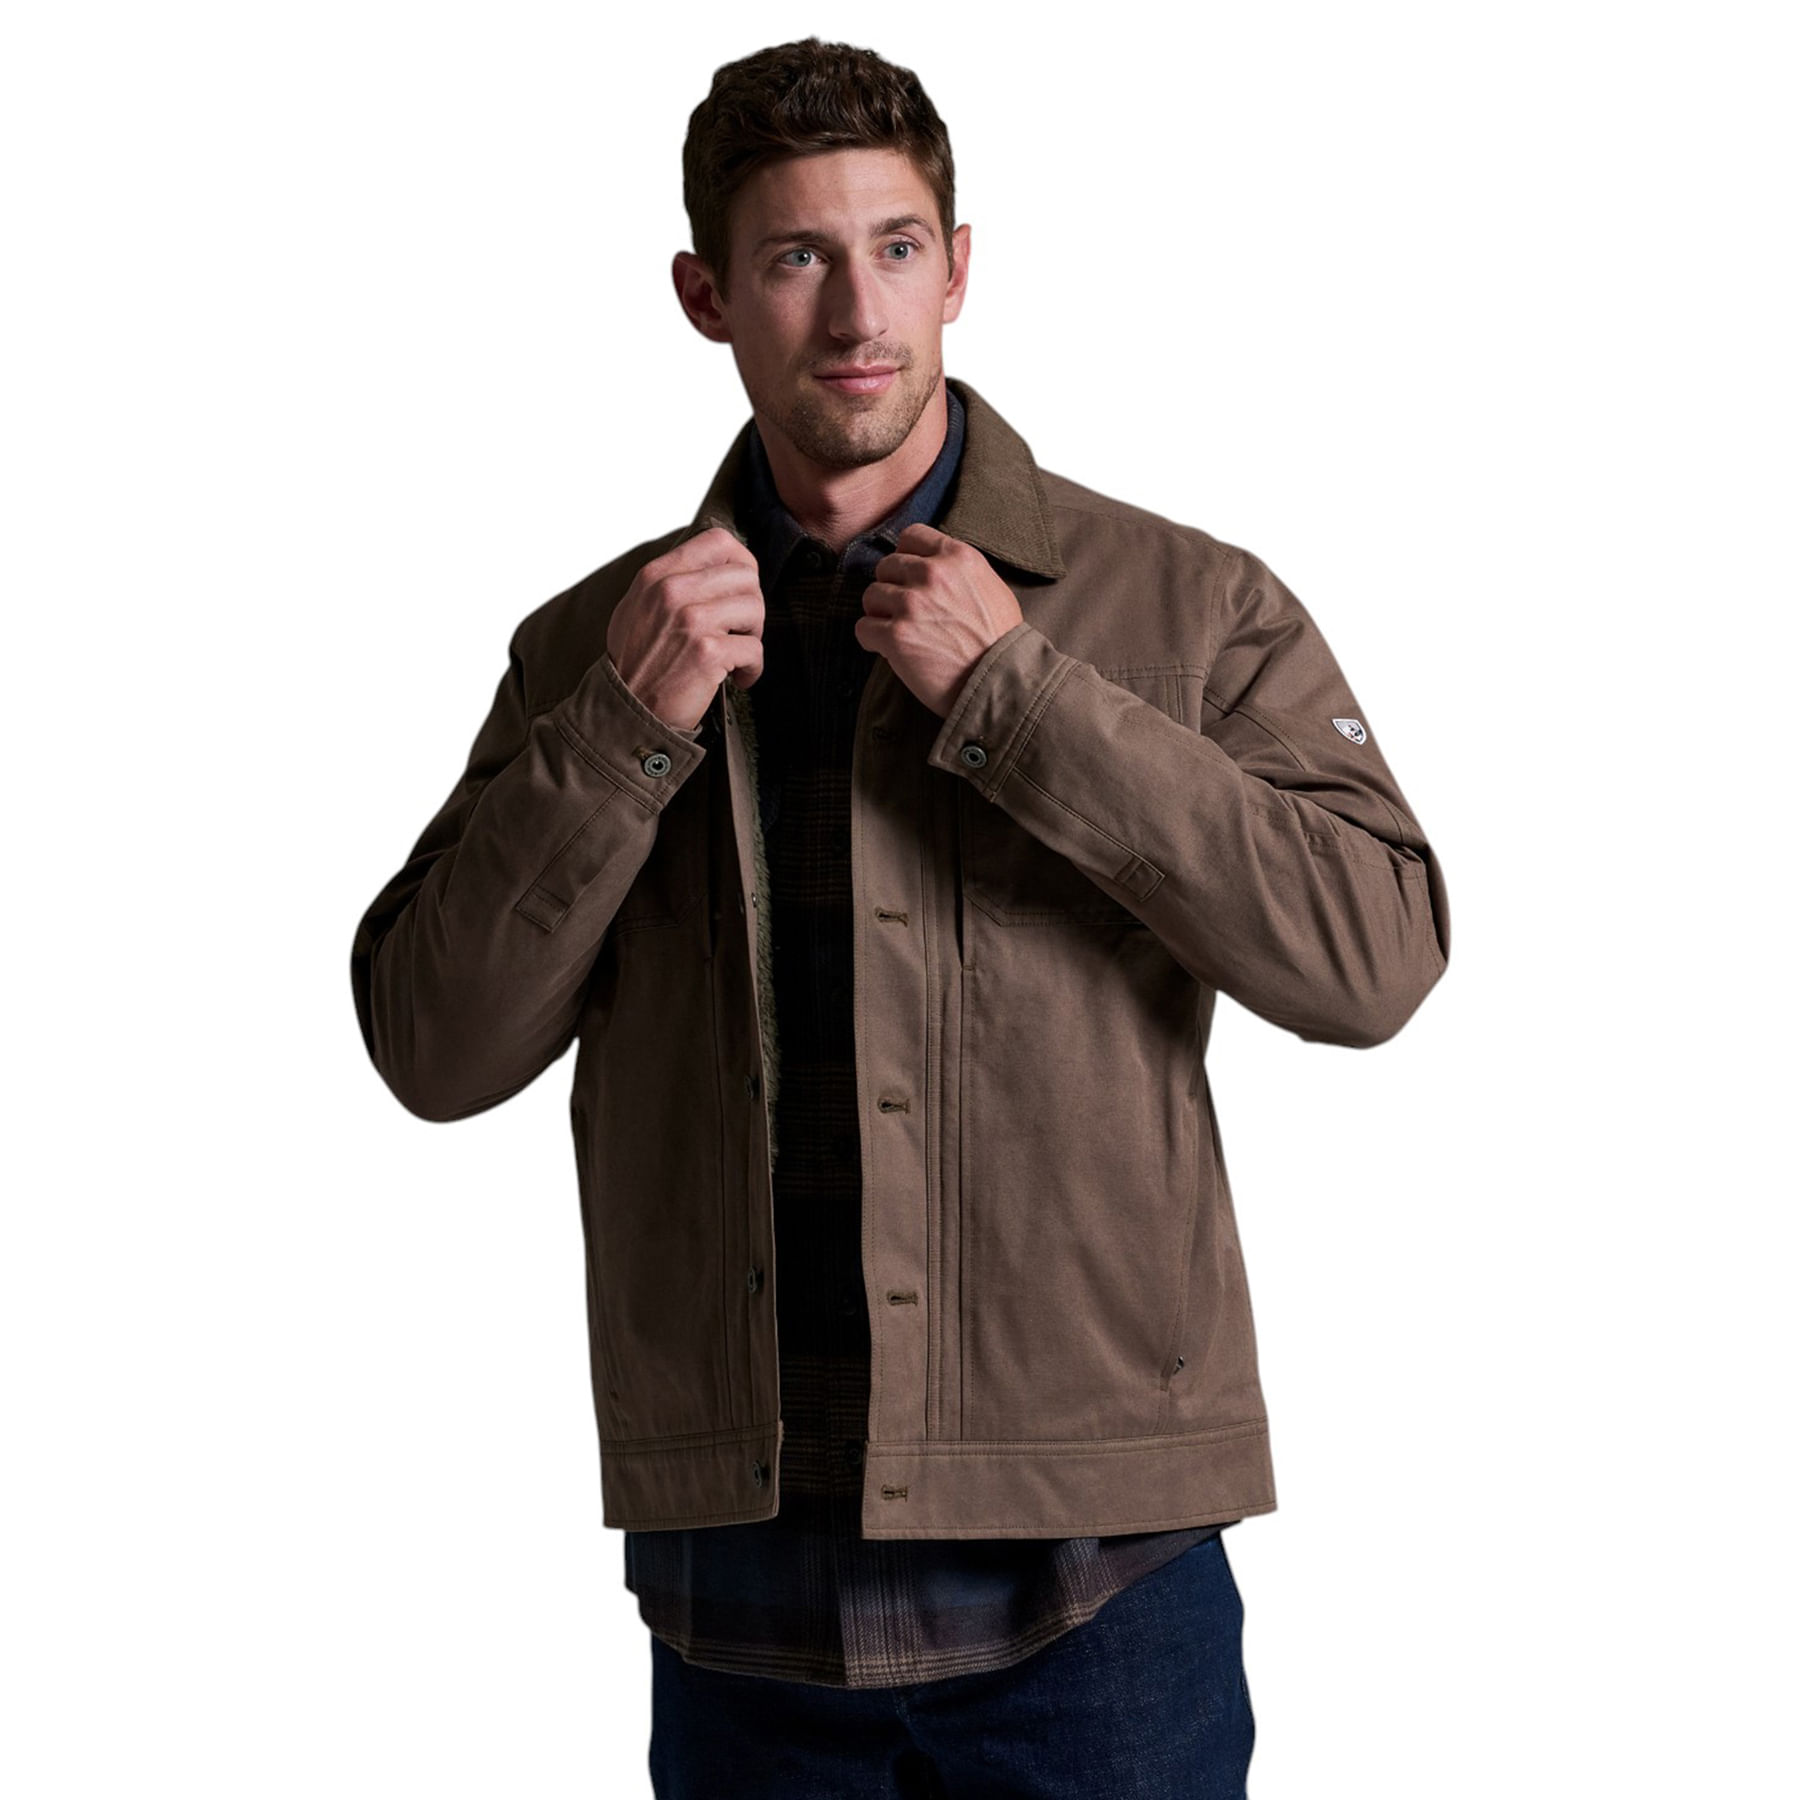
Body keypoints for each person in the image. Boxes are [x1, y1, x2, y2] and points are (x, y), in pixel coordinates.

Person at [350, 34, 1451, 1799]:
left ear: (960, 267)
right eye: (797, 257)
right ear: (707, 296)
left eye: (896, 247)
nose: (857, 311)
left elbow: (1375, 954)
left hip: (1094, 1593)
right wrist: (622, 733)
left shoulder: (1185, 604)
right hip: (740, 1611)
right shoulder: (597, 649)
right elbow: (432, 1043)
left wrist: (1025, 702)